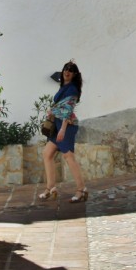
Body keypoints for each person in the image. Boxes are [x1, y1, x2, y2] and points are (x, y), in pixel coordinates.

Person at [38, 61, 88, 203]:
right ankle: (50, 188)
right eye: (66, 69)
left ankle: (81, 189)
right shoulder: (64, 87)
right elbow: (60, 107)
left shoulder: (72, 89)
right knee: (47, 154)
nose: (67, 71)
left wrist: (62, 129)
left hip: (66, 126)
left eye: (71, 70)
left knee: (68, 156)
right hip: (58, 125)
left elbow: (68, 110)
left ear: (75, 74)